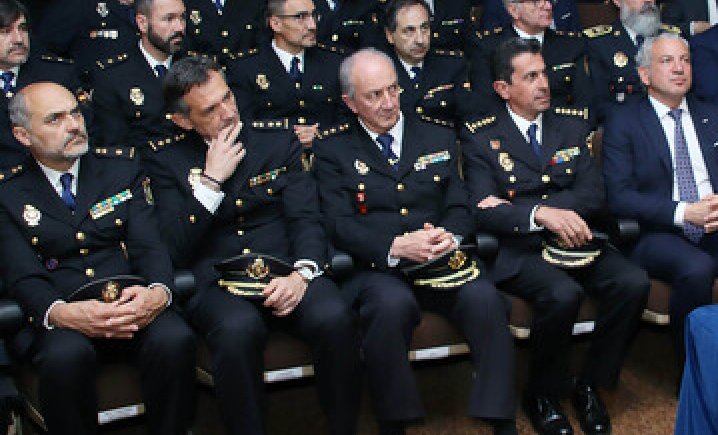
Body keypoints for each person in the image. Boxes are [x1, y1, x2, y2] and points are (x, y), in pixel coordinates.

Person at [147, 56, 363, 435]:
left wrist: (303, 272)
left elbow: (306, 218)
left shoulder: (275, 143)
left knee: (333, 316)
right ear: (183, 121)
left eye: (228, 98)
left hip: (287, 268)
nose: (228, 113)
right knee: (236, 329)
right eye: (210, 110)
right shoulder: (167, 161)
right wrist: (210, 184)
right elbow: (172, 249)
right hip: (218, 281)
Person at [313, 49, 516, 435]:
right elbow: (337, 224)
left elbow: (459, 204)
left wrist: (450, 236)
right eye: (374, 95)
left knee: (485, 298)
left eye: (393, 89)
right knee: (391, 306)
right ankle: (395, 420)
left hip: (440, 260)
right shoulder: (332, 149)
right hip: (378, 268)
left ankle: (501, 416)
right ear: (350, 103)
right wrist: (393, 245)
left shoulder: (437, 134)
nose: (388, 103)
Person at [463, 39, 649, 435]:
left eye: (543, 73)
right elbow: (482, 208)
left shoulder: (571, 125)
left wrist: (535, 206)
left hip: (578, 236)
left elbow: (593, 194)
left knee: (633, 282)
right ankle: (542, 393)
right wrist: (538, 214)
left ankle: (590, 384)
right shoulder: (481, 138)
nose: (544, 84)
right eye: (530, 77)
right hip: (521, 250)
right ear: (503, 89)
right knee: (562, 294)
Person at [0, 81, 197, 435]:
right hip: (63, 311)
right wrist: (59, 312)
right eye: (55, 119)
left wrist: (157, 292)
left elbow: (150, 246)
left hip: (129, 301)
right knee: (65, 356)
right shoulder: (8, 192)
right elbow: (21, 273)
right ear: (23, 135)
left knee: (174, 338)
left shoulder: (120, 170)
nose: (74, 124)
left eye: (75, 112)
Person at [603, 33, 718, 356]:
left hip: (715, 225)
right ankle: (692, 367)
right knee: (698, 268)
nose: (679, 68)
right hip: (657, 232)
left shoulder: (713, 116)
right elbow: (620, 196)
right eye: (667, 61)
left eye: (685, 60)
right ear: (644, 75)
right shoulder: (624, 121)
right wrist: (684, 212)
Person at [224, 0, 345, 150]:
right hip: (273, 158)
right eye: (300, 17)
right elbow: (243, 124)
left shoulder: (334, 61)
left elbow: (347, 118)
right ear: (276, 24)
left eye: (314, 16)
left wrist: (321, 134)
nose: (312, 25)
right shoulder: (245, 67)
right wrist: (291, 136)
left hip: (328, 154)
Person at [471, 0, 592, 117]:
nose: (547, 6)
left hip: (563, 132)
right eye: (536, 1)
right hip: (507, 134)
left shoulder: (572, 45)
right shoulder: (487, 47)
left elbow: (585, 103)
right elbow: (485, 104)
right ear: (513, 10)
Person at [89, 0, 186, 149]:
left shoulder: (196, 66)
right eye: (169, 19)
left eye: (182, 18)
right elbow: (114, 146)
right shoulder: (113, 76)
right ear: (142, 23)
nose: (179, 27)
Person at [585, 0, 678, 121]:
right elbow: (600, 104)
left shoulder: (671, 38)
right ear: (617, 0)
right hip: (625, 127)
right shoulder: (599, 44)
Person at [0, 0, 83, 167]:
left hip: (52, 173)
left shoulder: (57, 75)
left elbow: (86, 132)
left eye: (23, 29)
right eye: (5, 31)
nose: (18, 39)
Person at [382, 0, 482, 128]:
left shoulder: (452, 66)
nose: (420, 40)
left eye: (424, 28)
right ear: (390, 35)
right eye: (409, 31)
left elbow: (469, 118)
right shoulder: (379, 71)